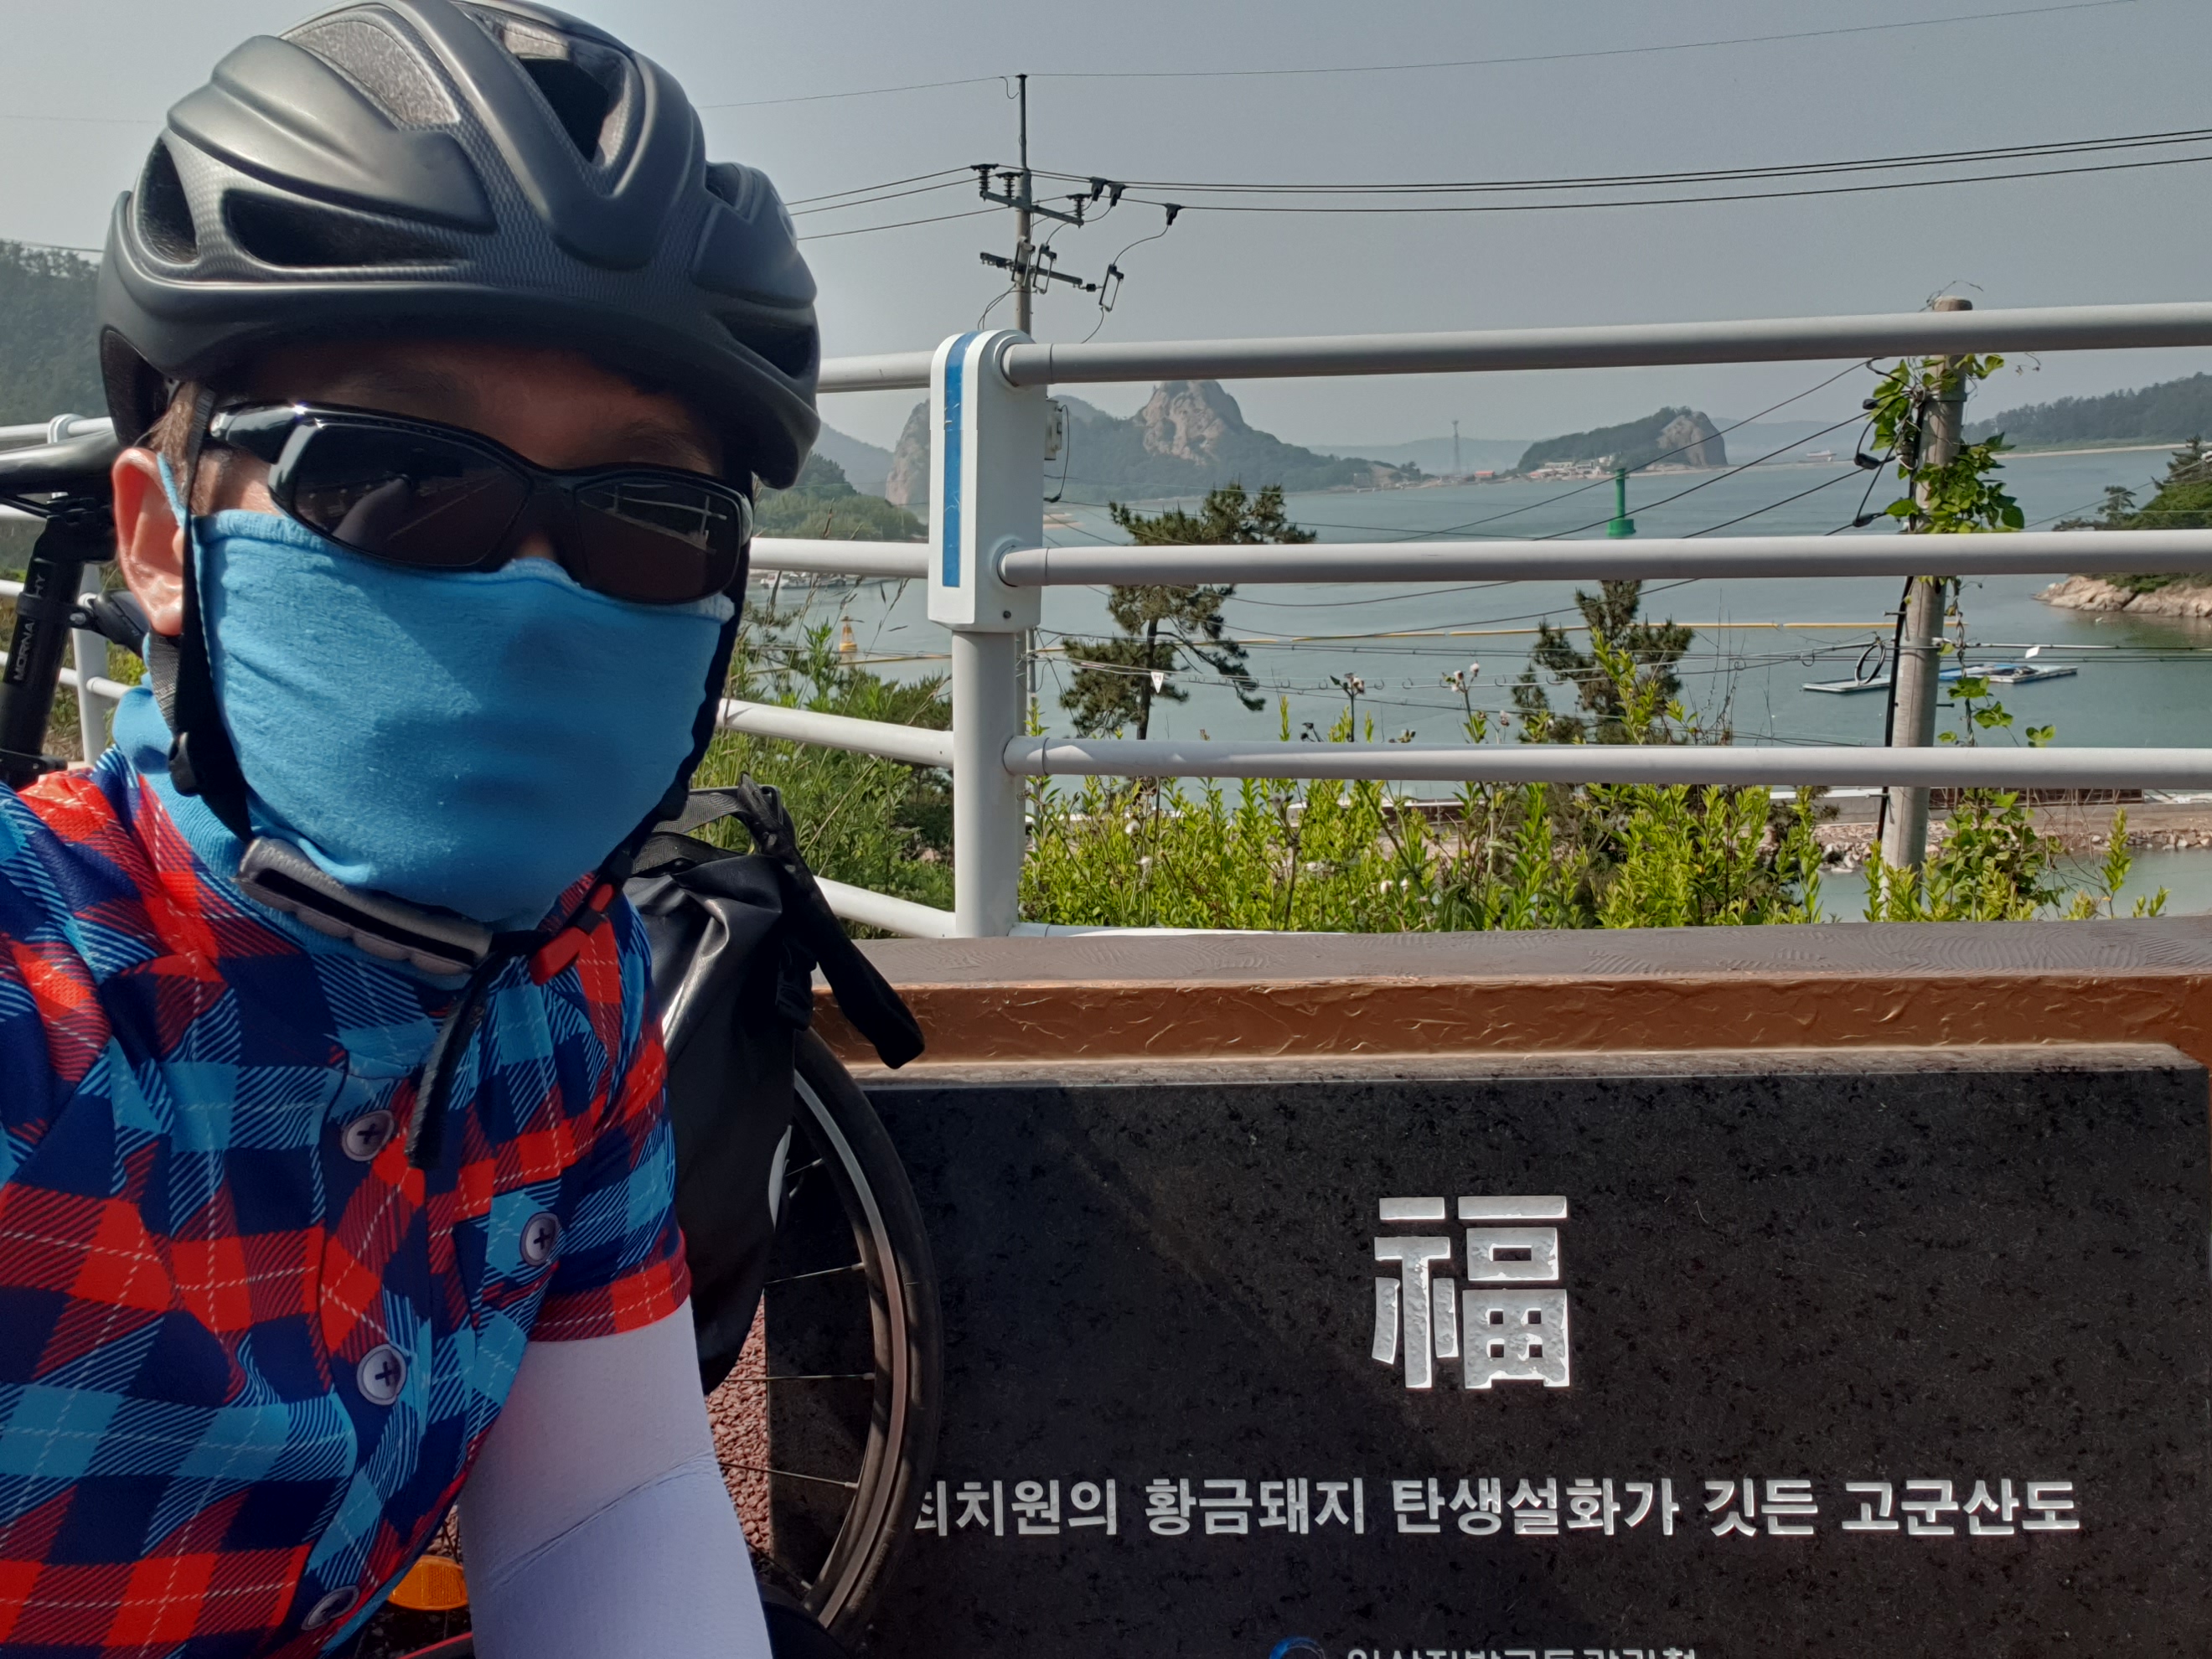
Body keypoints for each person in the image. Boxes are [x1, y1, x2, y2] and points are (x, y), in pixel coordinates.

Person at [0, 3, 824, 1654]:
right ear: (158, 542)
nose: (532, 593)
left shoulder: (569, 993)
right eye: (395, 479)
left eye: (647, 516)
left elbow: (612, 1511)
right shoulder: (39, 1008)